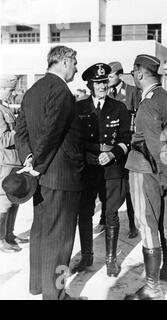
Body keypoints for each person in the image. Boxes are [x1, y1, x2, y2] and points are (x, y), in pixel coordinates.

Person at [15, 45, 85, 300]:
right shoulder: (62, 92)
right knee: (62, 239)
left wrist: (29, 161)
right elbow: (52, 133)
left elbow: (20, 132)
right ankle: (55, 295)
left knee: (41, 232)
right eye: (75, 63)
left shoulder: (32, 90)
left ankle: (37, 286)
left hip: (41, 177)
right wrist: (38, 165)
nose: (76, 68)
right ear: (64, 61)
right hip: (61, 177)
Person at [125, 54, 167, 300]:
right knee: (165, 222)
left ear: (139, 73)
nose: (134, 78)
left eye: (134, 74)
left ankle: (152, 288)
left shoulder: (148, 103)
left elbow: (153, 143)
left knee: (147, 225)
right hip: (165, 170)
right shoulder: (166, 98)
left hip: (145, 169)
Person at [72, 63, 131, 277]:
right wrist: (83, 155)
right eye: (97, 83)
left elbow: (126, 139)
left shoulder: (119, 108)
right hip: (87, 169)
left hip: (112, 169)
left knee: (111, 214)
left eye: (104, 82)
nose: (102, 86)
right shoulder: (79, 108)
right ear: (89, 84)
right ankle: (87, 258)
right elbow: (74, 140)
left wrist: (113, 153)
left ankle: (110, 261)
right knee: (85, 213)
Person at [89, 61, 138, 239]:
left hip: (123, 148)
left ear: (119, 75)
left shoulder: (132, 92)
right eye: (103, 79)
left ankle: (133, 223)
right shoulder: (101, 95)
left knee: (126, 189)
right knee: (105, 193)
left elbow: (136, 119)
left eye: (110, 77)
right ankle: (104, 219)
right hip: (104, 150)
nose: (106, 81)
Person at [0, 75, 29, 253]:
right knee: (4, 201)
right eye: (10, 90)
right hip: (5, 162)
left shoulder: (4, 108)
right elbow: (3, 139)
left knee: (14, 199)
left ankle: (9, 234)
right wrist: (20, 130)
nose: (12, 94)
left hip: (13, 161)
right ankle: (1, 239)